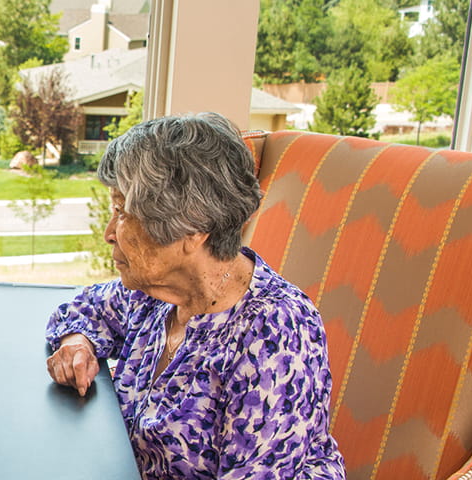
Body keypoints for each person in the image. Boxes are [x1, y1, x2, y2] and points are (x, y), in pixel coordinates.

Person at [45, 113, 344, 478]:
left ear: (192, 228)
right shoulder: (159, 293)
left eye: (122, 212)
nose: (109, 232)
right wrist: (78, 344)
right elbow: (85, 307)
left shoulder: (274, 334)